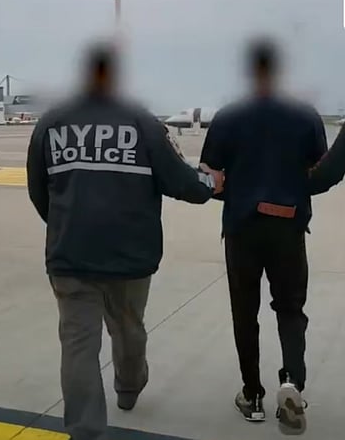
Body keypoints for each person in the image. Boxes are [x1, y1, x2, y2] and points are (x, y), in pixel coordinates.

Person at [26, 41, 223, 440]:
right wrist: (209, 182)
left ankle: (85, 431)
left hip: (70, 254)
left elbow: (38, 189)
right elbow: (181, 181)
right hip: (129, 256)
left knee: (78, 345)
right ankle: (129, 387)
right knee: (129, 329)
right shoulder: (143, 123)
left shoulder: (50, 123)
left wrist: (64, 225)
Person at [199, 37, 327, 434]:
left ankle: (252, 394)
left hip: (242, 227)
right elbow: (319, 171)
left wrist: (232, 188)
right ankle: (291, 382)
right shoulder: (306, 115)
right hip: (288, 225)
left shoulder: (229, 115)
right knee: (290, 309)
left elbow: (210, 176)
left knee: (245, 312)